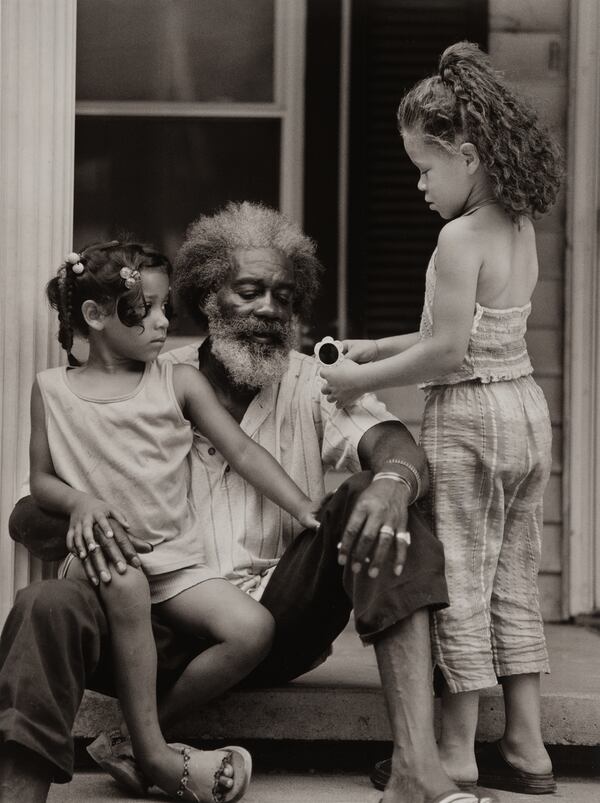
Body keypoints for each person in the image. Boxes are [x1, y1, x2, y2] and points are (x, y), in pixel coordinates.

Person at [2, 201, 489, 803]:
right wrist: (88, 521)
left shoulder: (314, 380)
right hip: (145, 624)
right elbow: (27, 512)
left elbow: (395, 448)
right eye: (250, 290)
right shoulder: (147, 373)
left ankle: (416, 768)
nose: (269, 309)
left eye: (284, 296)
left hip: (276, 621)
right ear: (208, 295)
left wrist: (394, 482)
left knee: (379, 497)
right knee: (45, 601)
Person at [319, 42, 562, 797]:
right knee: (514, 575)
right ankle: (527, 746)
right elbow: (475, 329)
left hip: (471, 418)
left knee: (456, 576)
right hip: (525, 410)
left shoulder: (457, 237)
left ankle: (454, 753)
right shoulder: (517, 222)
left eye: (426, 169)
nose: (420, 186)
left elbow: (448, 354)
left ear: (467, 154)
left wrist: (359, 376)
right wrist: (378, 341)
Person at [27, 239, 323, 800]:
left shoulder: (176, 381)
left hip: (176, 560)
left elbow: (242, 450)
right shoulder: (52, 390)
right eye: (147, 310)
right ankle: (159, 757)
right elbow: (41, 480)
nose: (164, 322)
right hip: (102, 561)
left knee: (252, 629)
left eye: (167, 309)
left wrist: (301, 504)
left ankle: (131, 738)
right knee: (128, 585)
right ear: (95, 316)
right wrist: (79, 503)